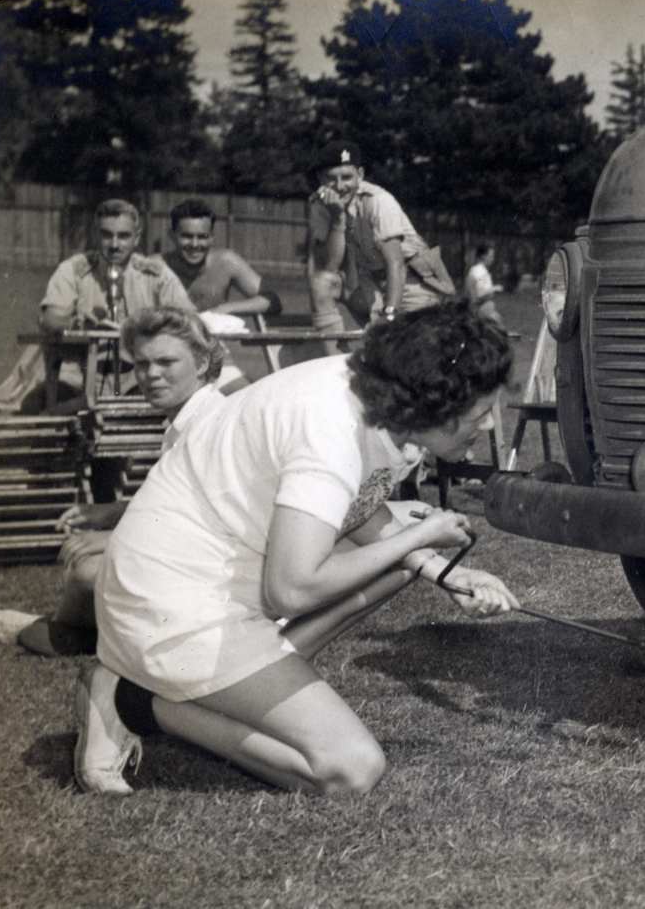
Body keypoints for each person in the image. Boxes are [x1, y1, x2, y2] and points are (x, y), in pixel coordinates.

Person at [73, 299, 518, 796]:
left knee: (400, 563)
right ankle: (134, 702)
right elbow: (290, 588)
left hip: (202, 589)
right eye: (479, 413)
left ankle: (215, 687)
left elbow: (355, 506)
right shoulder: (330, 429)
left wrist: (450, 574)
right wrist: (418, 536)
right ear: (434, 404)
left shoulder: (369, 397)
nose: (489, 425)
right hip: (167, 607)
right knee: (351, 769)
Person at [0, 307, 227, 656]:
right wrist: (111, 512)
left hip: (221, 576)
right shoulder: (187, 417)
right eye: (142, 364)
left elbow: (208, 521)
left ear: (203, 363)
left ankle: (58, 633)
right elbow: (180, 502)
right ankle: (77, 633)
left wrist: (116, 536)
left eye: (166, 362)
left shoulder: (212, 423)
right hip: (199, 561)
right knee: (90, 568)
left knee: (88, 570)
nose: (152, 375)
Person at [0, 199, 197, 412]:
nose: (115, 244)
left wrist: (143, 326)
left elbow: (188, 319)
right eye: (107, 235)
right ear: (96, 236)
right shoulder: (74, 270)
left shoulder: (155, 274)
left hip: (138, 374)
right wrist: (78, 323)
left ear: (136, 238)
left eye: (123, 236)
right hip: (79, 374)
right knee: (36, 405)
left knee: (165, 405)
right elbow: (51, 318)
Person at [306, 140, 456, 349]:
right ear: (320, 179)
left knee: (409, 357)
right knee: (323, 283)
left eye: (347, 177)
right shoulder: (320, 204)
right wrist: (338, 219)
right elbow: (330, 267)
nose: (340, 186)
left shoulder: (378, 201)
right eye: (331, 179)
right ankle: (334, 366)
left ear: (360, 174)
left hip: (414, 287)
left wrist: (390, 313)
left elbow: (396, 264)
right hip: (372, 286)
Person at [160, 198, 280, 389]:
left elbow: (272, 300)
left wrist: (226, 308)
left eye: (202, 237)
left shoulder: (225, 262)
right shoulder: (157, 267)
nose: (195, 244)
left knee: (244, 402)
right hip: (164, 359)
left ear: (212, 237)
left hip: (214, 358)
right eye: (187, 236)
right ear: (172, 235)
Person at [463, 242, 503, 325]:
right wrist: (495, 288)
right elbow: (480, 295)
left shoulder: (478, 270)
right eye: (491, 256)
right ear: (483, 256)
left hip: (481, 308)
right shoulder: (479, 271)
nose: (493, 259)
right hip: (480, 310)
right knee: (498, 325)